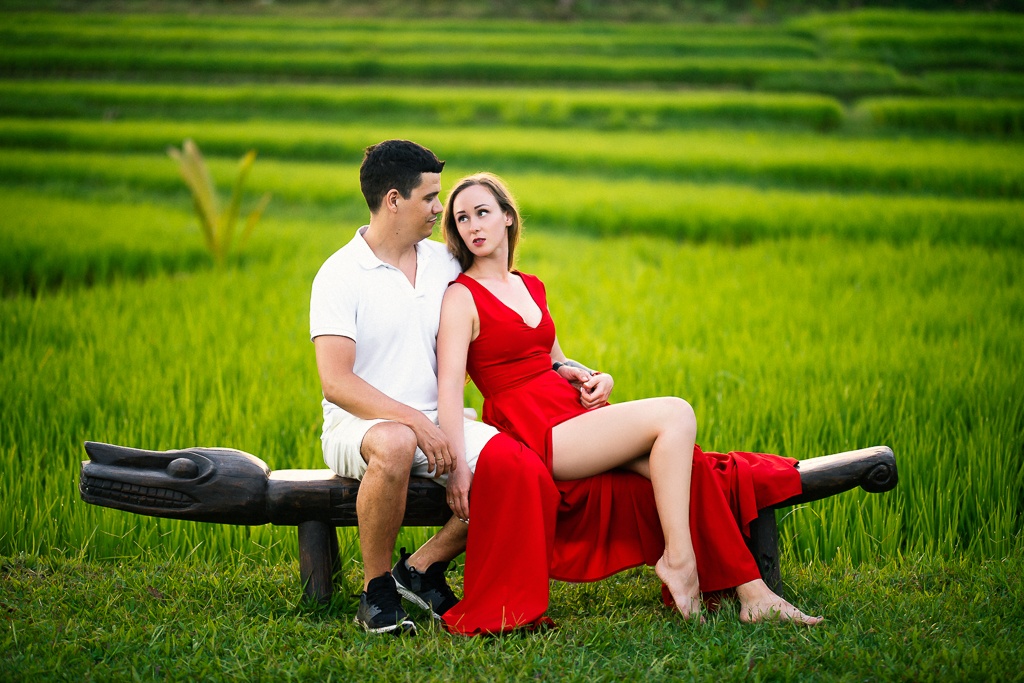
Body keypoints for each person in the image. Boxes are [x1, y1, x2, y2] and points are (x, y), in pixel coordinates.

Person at [436, 172, 823, 626]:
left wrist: (594, 376)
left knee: (690, 465)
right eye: (462, 219)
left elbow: (553, 360)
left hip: (568, 410)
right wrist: (458, 469)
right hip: (535, 431)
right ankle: (680, 562)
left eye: (482, 212)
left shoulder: (530, 285)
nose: (473, 226)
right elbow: (449, 391)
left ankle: (754, 594)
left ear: (507, 217)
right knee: (675, 414)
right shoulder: (461, 297)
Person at [310, 142, 558, 635]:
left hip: (439, 421)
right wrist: (416, 422)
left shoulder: (445, 262)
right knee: (397, 442)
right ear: (394, 200)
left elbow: (506, 311)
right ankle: (377, 590)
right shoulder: (339, 274)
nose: (439, 209)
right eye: (429, 198)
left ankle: (421, 568)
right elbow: (336, 382)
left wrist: (563, 366)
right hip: (360, 426)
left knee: (522, 465)